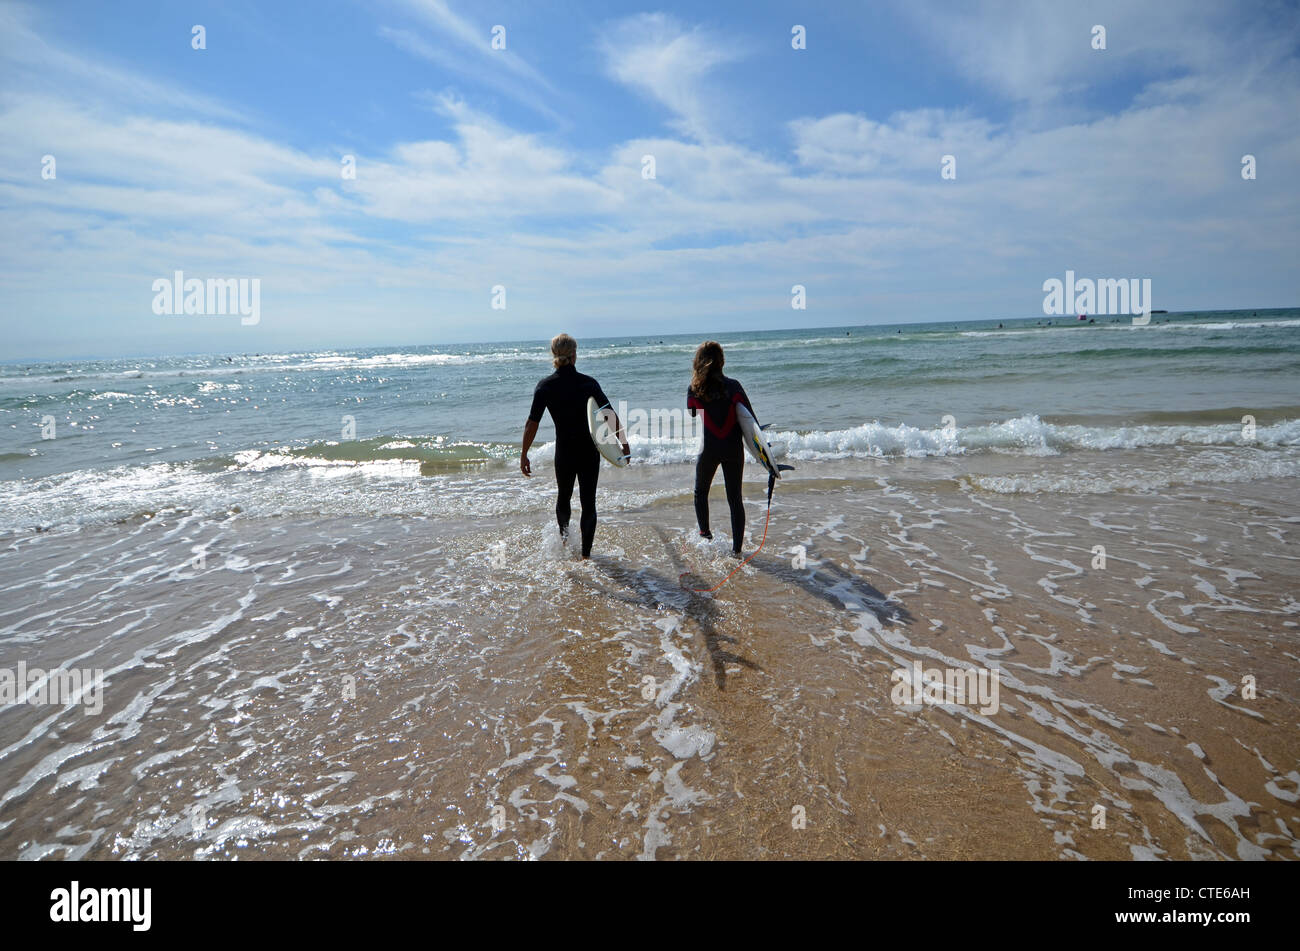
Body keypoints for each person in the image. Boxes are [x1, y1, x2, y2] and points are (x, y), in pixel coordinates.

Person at [520, 334, 628, 559]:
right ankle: (587, 556)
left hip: (565, 452)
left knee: (563, 497)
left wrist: (524, 454)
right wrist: (623, 444)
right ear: (574, 354)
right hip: (589, 452)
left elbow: (532, 424)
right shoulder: (588, 383)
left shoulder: (545, 386)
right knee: (589, 503)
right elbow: (609, 414)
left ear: (553, 355)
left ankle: (566, 542)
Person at [687, 341, 755, 556]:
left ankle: (705, 536)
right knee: (735, 498)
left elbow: (691, 412)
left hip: (709, 449)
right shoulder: (734, 386)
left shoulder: (694, 389)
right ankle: (737, 550)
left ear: (699, 361)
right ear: (722, 361)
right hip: (733, 448)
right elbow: (750, 419)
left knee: (701, 492)